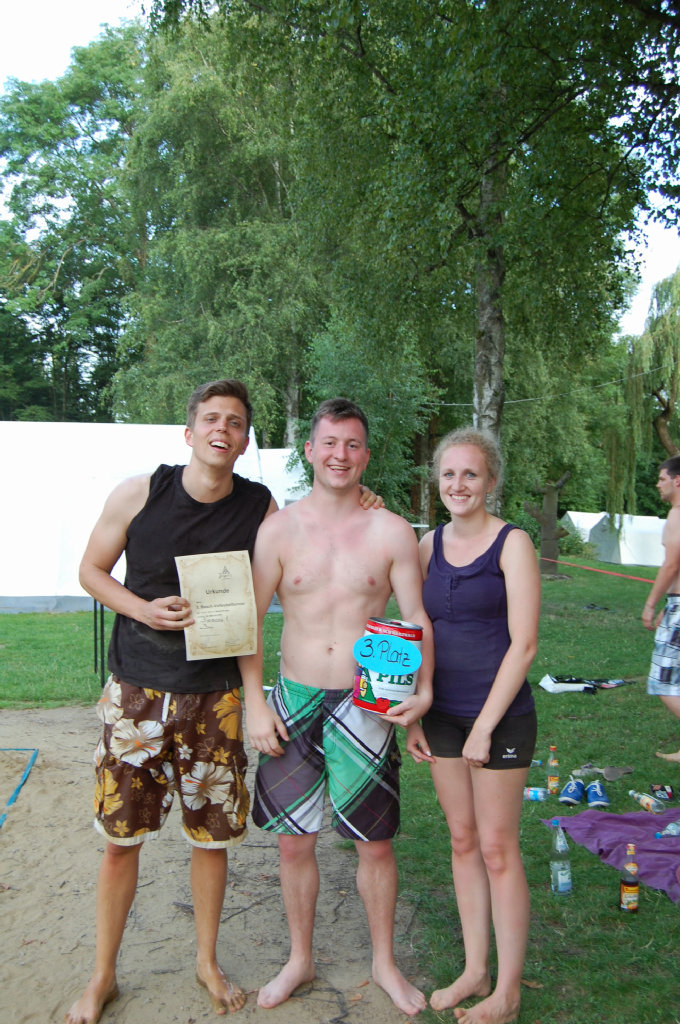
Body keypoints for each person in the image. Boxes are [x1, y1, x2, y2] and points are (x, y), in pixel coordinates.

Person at [240, 397, 433, 1017]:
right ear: (310, 450)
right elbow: (249, 624)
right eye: (329, 443)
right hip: (293, 699)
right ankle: (300, 958)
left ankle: (384, 962)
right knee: (293, 843)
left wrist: (423, 692)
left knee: (375, 843)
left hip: (366, 703)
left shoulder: (391, 531)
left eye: (352, 445)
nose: (340, 455)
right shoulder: (278, 530)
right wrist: (255, 704)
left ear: (366, 455)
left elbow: (417, 617)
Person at [406, 428, 540, 1024]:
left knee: (496, 848)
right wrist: (416, 710)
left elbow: (525, 644)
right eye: (448, 474)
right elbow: (416, 628)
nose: (458, 485)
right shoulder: (427, 545)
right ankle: (475, 970)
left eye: (470, 474)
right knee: (462, 840)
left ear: (491, 481)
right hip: (441, 716)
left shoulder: (513, 544)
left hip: (500, 718)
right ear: (437, 481)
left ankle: (507, 993)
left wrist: (485, 726)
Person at [642, 455, 680, 763]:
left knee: (663, 683)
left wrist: (651, 603)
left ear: (677, 481)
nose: (658, 484)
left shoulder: (677, 515)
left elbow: (671, 564)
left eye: (662, 478)